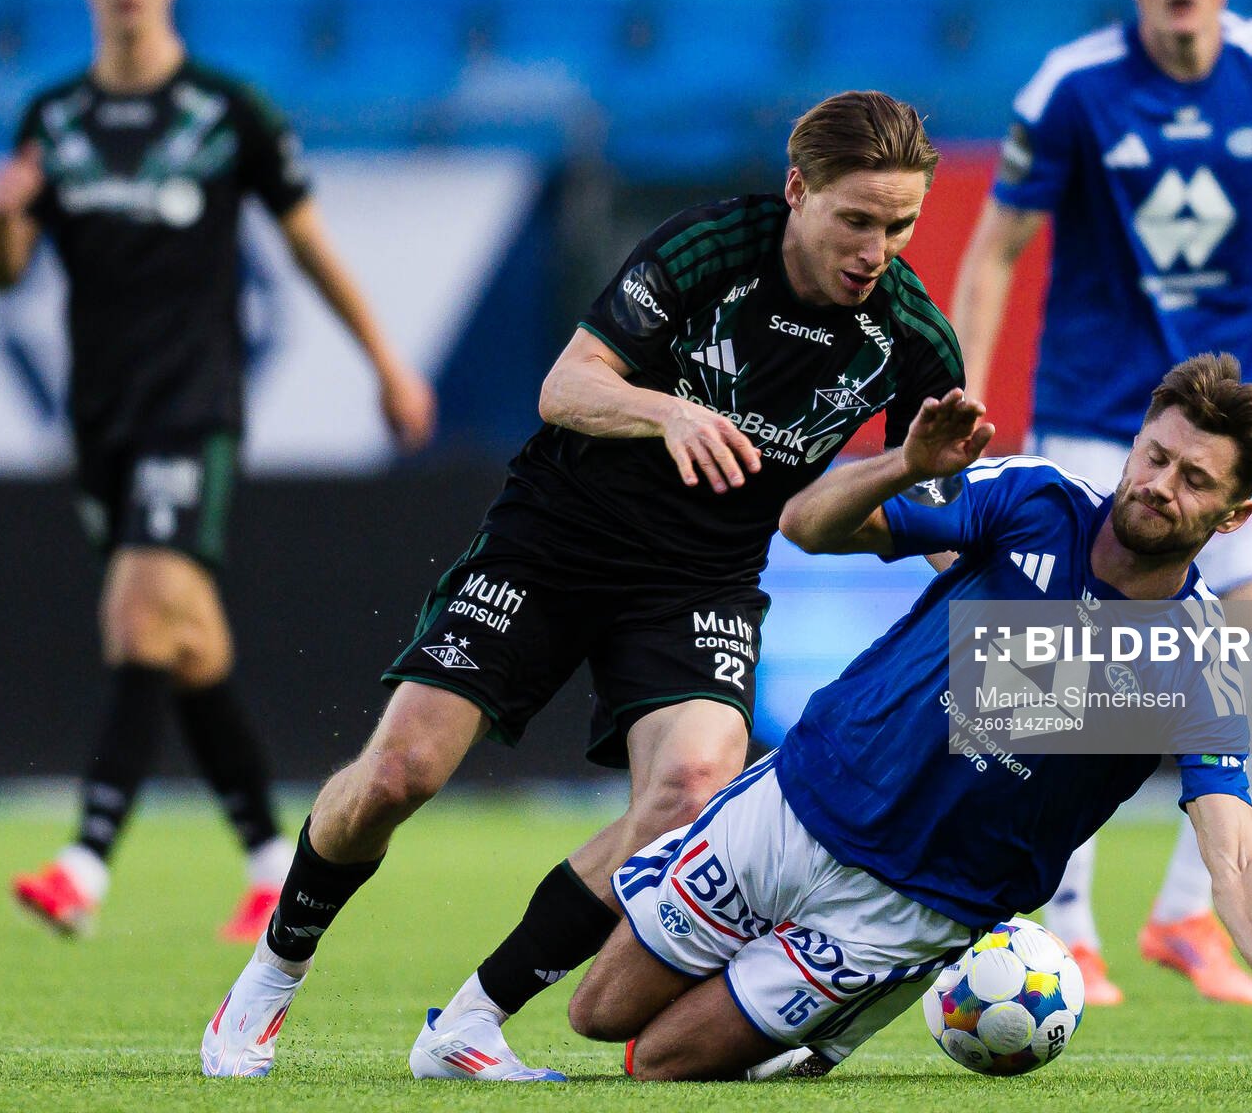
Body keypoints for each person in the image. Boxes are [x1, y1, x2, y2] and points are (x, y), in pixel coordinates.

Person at [200, 90, 967, 1080]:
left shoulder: (912, 339)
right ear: (797, 191)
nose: (876, 247)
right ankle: (269, 975)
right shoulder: (710, 250)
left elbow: (907, 516)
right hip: (557, 539)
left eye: (899, 225)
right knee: (398, 775)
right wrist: (668, 414)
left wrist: (932, 511)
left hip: (702, 575)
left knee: (690, 791)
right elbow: (564, 386)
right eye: (855, 219)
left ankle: (469, 1023)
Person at [567, 354, 1252, 1079]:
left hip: (916, 905)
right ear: (1135, 448)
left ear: (1233, 517)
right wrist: (904, 468)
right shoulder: (1035, 498)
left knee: (658, 1064)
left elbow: (1236, 853)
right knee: (596, 1014)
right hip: (804, 799)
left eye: (1195, 479)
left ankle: (812, 1017)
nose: (1161, 484)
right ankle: (794, 1018)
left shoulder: (1200, 662)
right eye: (1156, 457)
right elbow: (809, 524)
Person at [0, 0, 435, 941]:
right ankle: (273, 856)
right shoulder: (52, 119)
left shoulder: (229, 112)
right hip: (98, 412)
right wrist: (4, 220)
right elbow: (3, 274)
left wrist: (384, 360)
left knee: (139, 614)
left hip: (196, 401)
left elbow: (309, 244)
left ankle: (84, 861)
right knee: (184, 640)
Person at [949, 0, 1252, 1004]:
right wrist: (969, 392)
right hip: (1091, 422)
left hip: (1220, 429)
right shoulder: (1074, 86)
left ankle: (1185, 915)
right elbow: (999, 244)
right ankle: (1065, 922)